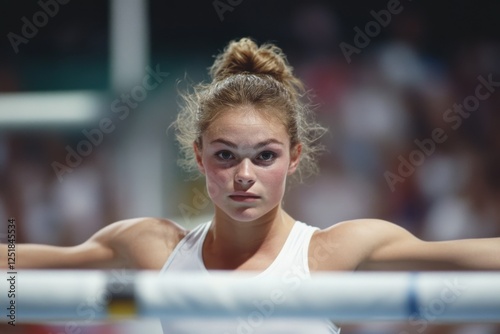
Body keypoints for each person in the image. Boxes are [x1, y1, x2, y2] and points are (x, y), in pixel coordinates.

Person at [1, 38, 500, 334]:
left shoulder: (336, 249)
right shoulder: (153, 246)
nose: (244, 176)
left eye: (265, 157)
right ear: (199, 156)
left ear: (294, 157)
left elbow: (468, 256)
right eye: (225, 156)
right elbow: (22, 266)